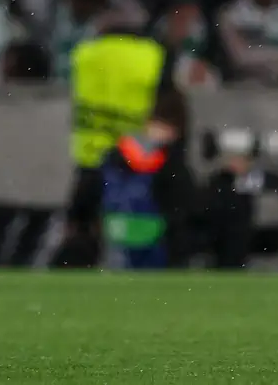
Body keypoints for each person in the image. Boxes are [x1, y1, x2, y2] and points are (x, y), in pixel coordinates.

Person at [55, 20, 177, 268]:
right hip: (138, 157)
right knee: (140, 229)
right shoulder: (151, 55)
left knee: (82, 230)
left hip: (89, 157)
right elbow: (166, 109)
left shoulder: (85, 53)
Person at [66, 90, 195, 269]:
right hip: (155, 240)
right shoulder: (173, 165)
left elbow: (86, 197)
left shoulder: (114, 156)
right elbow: (184, 211)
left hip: (112, 235)